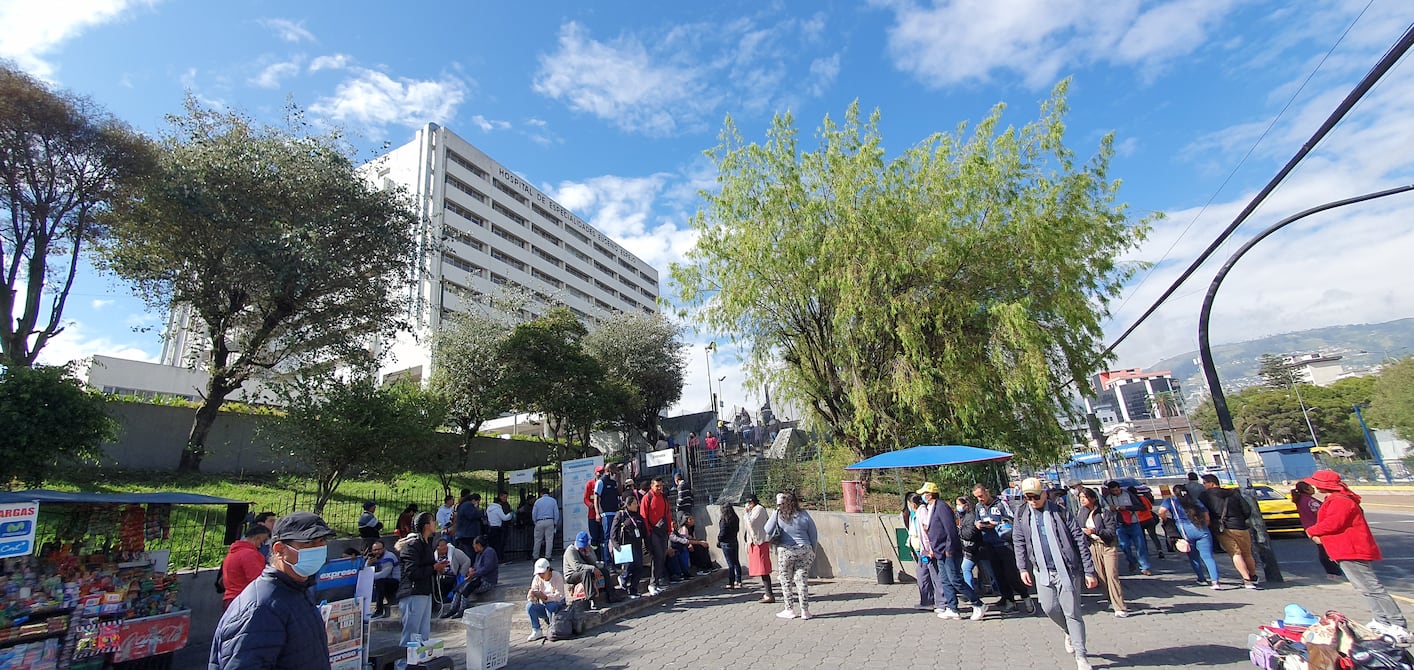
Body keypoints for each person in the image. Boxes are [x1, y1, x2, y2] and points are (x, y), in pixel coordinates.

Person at [209, 511, 336, 670]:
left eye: (322, 541)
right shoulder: (260, 609)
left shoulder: (298, 590)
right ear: (280, 549)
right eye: (309, 543)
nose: (320, 548)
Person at [1302, 469, 1409, 642]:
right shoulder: (1338, 498)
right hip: (1345, 548)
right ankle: (1382, 620)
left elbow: (1332, 523)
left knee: (1372, 588)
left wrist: (1312, 530)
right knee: (1365, 588)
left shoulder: (1339, 501)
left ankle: (1397, 623)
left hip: (1350, 548)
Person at [1013, 478, 1100, 670]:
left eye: (1036, 496)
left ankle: (1081, 654)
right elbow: (1018, 541)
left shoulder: (1060, 512)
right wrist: (1022, 567)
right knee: (1049, 608)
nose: (1033, 500)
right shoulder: (1021, 514)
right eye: (1028, 497)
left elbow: (1079, 540)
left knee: (1072, 612)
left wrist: (1089, 571)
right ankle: (1068, 631)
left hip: (1067, 570)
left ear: (1044, 494)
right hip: (1041, 571)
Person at [918, 482, 986, 621]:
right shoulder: (930, 507)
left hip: (948, 551)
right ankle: (952, 608)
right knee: (945, 580)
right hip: (939, 551)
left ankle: (978, 604)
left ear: (930, 494)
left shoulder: (941, 507)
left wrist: (949, 548)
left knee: (955, 580)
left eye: (924, 494)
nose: (923, 497)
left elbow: (950, 528)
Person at [973, 483, 1033, 613]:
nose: (980, 499)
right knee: (999, 575)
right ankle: (1009, 600)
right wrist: (978, 524)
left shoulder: (1000, 504)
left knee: (1011, 574)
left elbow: (1012, 519)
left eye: (981, 496)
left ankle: (1025, 596)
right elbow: (976, 520)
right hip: (989, 544)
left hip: (1004, 543)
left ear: (987, 492)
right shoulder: (978, 507)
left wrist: (997, 523)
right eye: (977, 497)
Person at [764, 492, 819, 620]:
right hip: (805, 549)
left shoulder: (779, 515)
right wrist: (813, 551)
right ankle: (805, 611)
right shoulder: (804, 514)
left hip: (786, 551)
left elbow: (767, 529)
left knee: (786, 580)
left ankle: (789, 609)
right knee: (801, 579)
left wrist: (775, 511)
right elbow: (813, 534)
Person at [398, 512, 449, 649]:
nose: (435, 524)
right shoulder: (413, 545)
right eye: (432, 521)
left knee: (423, 632)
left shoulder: (427, 544)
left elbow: (427, 567)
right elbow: (411, 571)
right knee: (411, 633)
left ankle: (420, 661)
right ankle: (403, 664)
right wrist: (433, 567)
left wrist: (438, 568)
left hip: (425, 591)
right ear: (426, 525)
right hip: (413, 592)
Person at [1199, 474, 1258, 589]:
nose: (1203, 485)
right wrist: (1240, 518)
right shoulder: (1233, 493)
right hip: (1240, 526)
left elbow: (1203, 512)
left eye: (1204, 483)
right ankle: (1253, 576)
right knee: (1247, 553)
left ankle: (1246, 580)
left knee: (1235, 553)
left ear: (1211, 483)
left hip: (1222, 528)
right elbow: (1246, 510)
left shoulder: (1204, 496)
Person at [1078, 487, 1128, 617]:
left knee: (1112, 575)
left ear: (1093, 498)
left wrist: (1094, 531)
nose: (1082, 500)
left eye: (1085, 497)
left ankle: (1120, 606)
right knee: (1101, 576)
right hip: (1093, 547)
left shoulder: (1104, 513)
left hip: (1107, 545)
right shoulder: (1081, 513)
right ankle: (1110, 599)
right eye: (1080, 498)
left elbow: (1111, 532)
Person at [1156, 485, 1220, 588]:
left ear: (1174, 493)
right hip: (1202, 530)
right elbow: (1206, 514)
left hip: (1185, 532)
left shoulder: (1171, 501)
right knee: (1208, 557)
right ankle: (1215, 581)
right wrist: (1205, 524)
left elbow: (1161, 512)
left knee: (1193, 557)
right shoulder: (1194, 500)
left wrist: (1166, 519)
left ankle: (1201, 578)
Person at [1292, 480, 1343, 579]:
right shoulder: (1310, 501)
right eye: (1310, 487)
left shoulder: (1301, 499)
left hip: (1311, 527)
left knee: (1324, 550)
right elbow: (1322, 513)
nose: (1313, 488)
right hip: (1318, 528)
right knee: (1326, 551)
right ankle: (1333, 572)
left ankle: (1332, 572)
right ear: (1306, 489)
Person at [1102, 481, 1152, 576]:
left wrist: (1127, 507)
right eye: (1113, 491)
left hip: (1133, 523)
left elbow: (1141, 507)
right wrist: (1109, 509)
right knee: (1124, 545)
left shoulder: (1128, 495)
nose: (1116, 492)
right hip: (1118, 525)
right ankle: (1131, 560)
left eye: (1117, 490)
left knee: (1140, 545)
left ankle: (1145, 567)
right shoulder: (1106, 498)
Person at [220, 524, 270, 611]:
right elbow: (258, 581)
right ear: (257, 538)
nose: (261, 546)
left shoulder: (233, 553)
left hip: (230, 599)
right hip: (244, 600)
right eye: (262, 541)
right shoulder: (250, 554)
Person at [610, 494, 646, 598]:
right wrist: (616, 545)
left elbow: (643, 531)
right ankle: (623, 580)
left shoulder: (638, 516)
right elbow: (613, 532)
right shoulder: (621, 515)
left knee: (639, 568)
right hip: (626, 546)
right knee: (629, 566)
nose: (636, 505)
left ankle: (633, 589)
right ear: (628, 505)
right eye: (634, 504)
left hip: (637, 545)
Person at [641, 477, 672, 596]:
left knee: (662, 557)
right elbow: (643, 516)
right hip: (653, 531)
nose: (659, 488)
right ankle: (652, 583)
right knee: (657, 556)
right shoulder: (647, 498)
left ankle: (656, 582)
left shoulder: (664, 497)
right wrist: (648, 533)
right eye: (657, 486)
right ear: (651, 486)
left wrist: (669, 530)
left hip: (663, 531)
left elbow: (668, 513)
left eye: (661, 486)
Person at [743, 494, 775, 603]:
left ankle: (769, 594)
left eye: (748, 503)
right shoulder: (755, 509)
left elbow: (751, 523)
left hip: (760, 541)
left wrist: (746, 514)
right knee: (762, 569)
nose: (747, 505)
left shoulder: (759, 509)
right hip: (756, 542)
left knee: (763, 569)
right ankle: (768, 593)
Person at [526, 558, 567, 642]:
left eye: (542, 573)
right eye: (539, 573)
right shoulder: (537, 578)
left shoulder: (557, 576)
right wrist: (531, 596)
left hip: (557, 605)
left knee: (550, 605)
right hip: (544, 605)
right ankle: (536, 629)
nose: (540, 575)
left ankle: (553, 628)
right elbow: (533, 593)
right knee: (529, 606)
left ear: (548, 569)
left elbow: (559, 596)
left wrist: (545, 597)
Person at [564, 531, 608, 609]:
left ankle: (611, 594)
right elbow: (576, 567)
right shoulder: (571, 551)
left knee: (604, 570)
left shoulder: (588, 547)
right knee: (586, 573)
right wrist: (592, 568)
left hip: (586, 570)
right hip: (572, 575)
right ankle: (591, 598)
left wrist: (588, 554)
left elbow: (594, 562)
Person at [593, 465, 621, 565]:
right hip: (606, 513)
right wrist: (597, 513)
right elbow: (596, 498)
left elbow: (620, 493)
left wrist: (619, 479)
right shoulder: (601, 482)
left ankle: (617, 561)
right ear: (609, 470)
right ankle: (607, 561)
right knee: (608, 537)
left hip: (615, 512)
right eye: (614, 470)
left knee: (616, 537)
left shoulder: (614, 482)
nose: (616, 471)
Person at [433, 537, 472, 604]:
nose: (444, 547)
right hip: (440, 577)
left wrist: (462, 573)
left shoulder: (455, 552)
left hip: (453, 576)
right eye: (441, 546)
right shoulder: (434, 555)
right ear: (437, 548)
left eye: (445, 545)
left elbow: (467, 561)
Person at [368, 540, 400, 619]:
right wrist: (368, 564)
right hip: (384, 583)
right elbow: (365, 572)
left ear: (384, 549)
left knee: (380, 581)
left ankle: (379, 611)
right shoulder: (373, 558)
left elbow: (384, 574)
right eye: (375, 550)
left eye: (379, 549)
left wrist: (369, 576)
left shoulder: (389, 556)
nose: (377, 552)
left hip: (395, 583)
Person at [718, 502, 744, 589]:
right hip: (734, 540)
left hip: (726, 543)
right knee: (736, 561)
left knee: (730, 563)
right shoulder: (735, 518)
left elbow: (722, 532)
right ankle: (739, 580)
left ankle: (731, 582)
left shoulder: (724, 519)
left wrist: (719, 540)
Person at [532, 489, 560, 560]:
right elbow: (556, 513)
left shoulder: (537, 501)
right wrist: (555, 522)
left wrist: (535, 522)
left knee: (537, 540)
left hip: (539, 521)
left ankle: (535, 556)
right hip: (550, 520)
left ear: (541, 493)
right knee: (549, 539)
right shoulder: (553, 501)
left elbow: (534, 513)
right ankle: (548, 556)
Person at [455, 492, 485, 558]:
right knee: (470, 553)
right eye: (478, 501)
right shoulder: (468, 505)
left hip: (466, 533)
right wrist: (481, 512)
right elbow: (472, 515)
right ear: (474, 500)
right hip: (467, 534)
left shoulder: (465, 505)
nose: (478, 503)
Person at [487, 491, 513, 562]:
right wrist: (510, 514)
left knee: (494, 544)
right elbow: (504, 517)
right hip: (500, 527)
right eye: (504, 497)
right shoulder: (499, 508)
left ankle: (494, 558)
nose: (505, 498)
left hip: (492, 527)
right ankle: (500, 558)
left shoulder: (489, 508)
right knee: (499, 543)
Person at [585, 467, 604, 559]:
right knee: (594, 538)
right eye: (599, 472)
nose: (600, 474)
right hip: (592, 516)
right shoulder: (590, 484)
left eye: (602, 472)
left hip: (603, 515)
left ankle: (604, 557)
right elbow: (585, 498)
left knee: (603, 538)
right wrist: (591, 505)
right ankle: (595, 557)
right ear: (595, 473)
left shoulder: (604, 483)